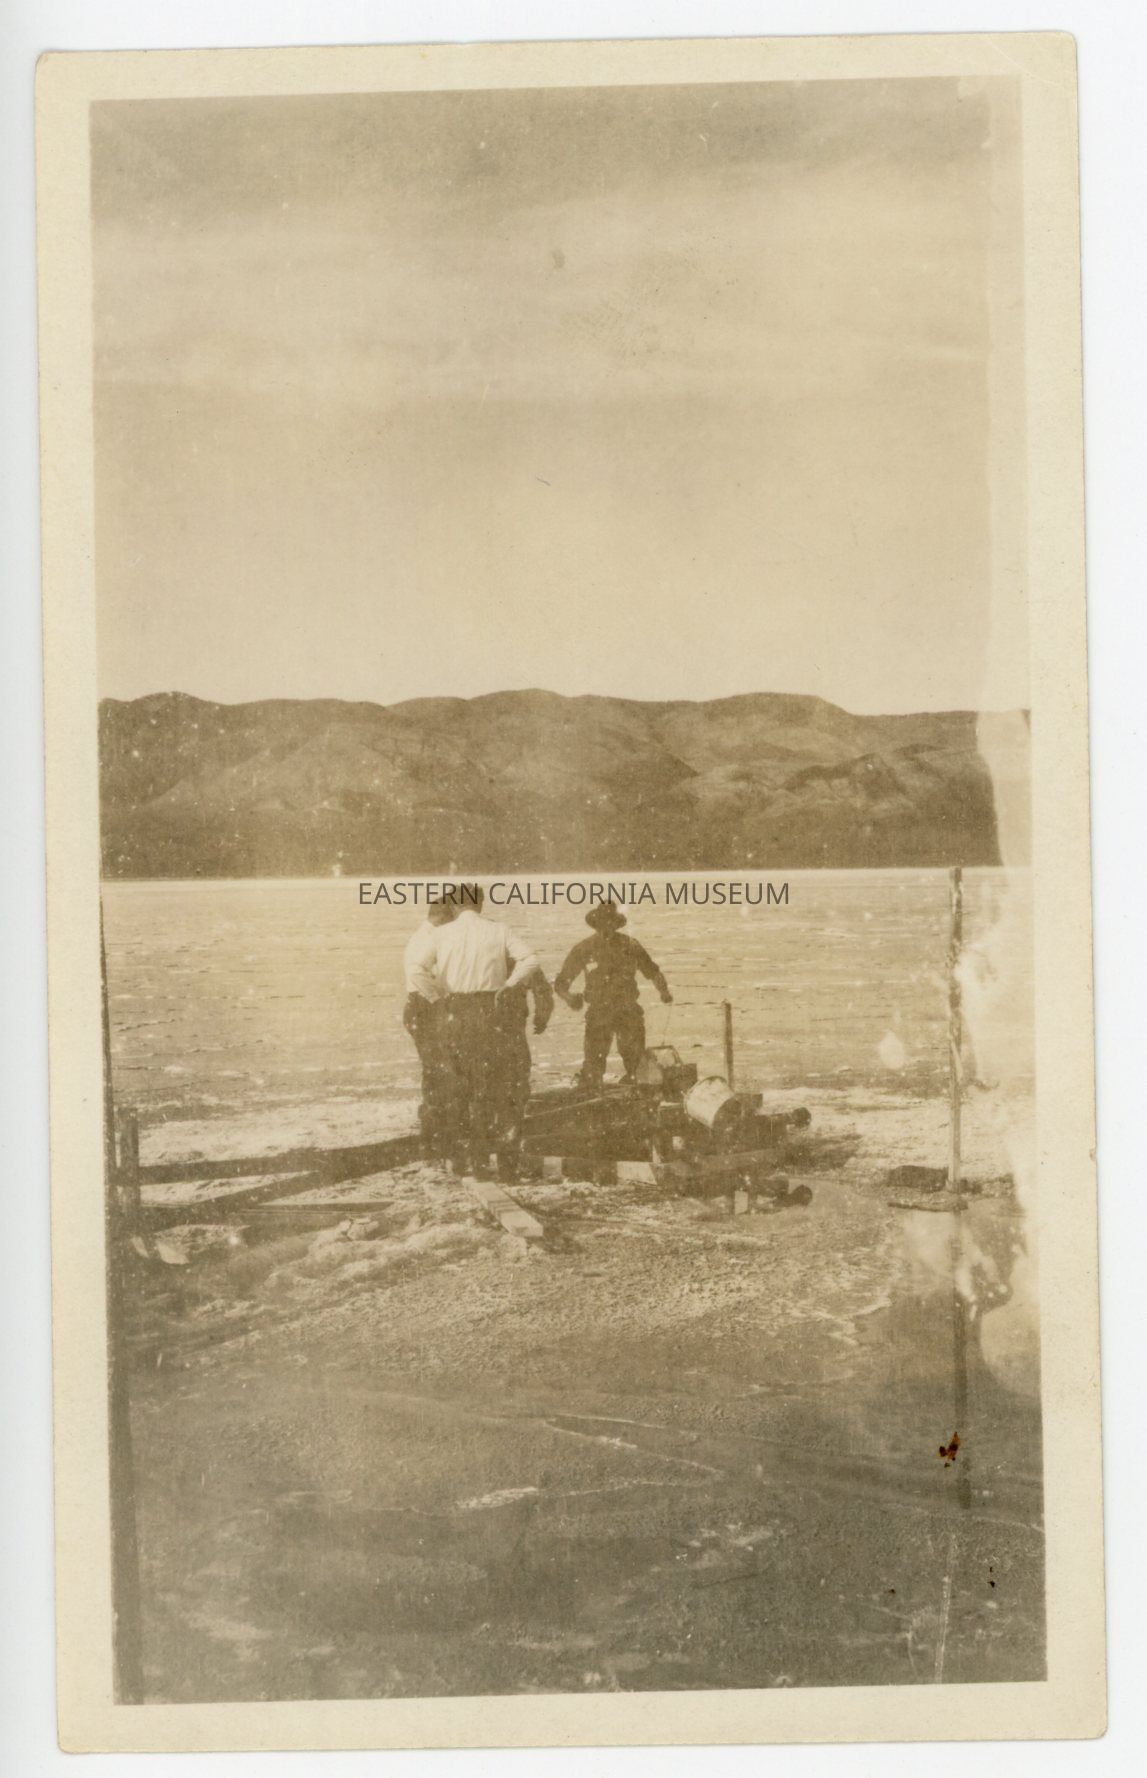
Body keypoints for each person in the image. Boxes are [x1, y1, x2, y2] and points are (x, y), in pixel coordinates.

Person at [406, 885, 539, 1177]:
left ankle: (469, 1161)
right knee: (496, 1084)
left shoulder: (441, 934)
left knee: (459, 1086)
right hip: (491, 1012)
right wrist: (509, 986)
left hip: (455, 1013)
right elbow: (530, 960)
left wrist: (437, 998)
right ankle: (504, 1162)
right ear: (480, 905)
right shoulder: (499, 930)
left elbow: (416, 970)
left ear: (455, 906)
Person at [555, 901, 672, 1087]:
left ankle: (636, 1091)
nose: (606, 927)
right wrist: (570, 999)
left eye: (610, 923)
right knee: (593, 1067)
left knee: (636, 1065)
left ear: (616, 924)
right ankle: (592, 1090)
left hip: (628, 1010)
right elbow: (561, 983)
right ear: (596, 924)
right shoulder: (584, 948)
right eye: (602, 923)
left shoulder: (631, 945)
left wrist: (664, 992)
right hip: (599, 1012)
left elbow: (653, 971)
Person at [402, 899, 459, 1159]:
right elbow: (417, 973)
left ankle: (434, 1135)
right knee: (438, 1071)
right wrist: (439, 1001)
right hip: (425, 1007)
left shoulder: (423, 935)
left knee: (436, 1070)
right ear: (442, 917)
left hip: (421, 1006)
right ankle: (434, 1137)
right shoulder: (429, 938)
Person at [494, 966, 555, 1175]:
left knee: (480, 1094)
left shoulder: (470, 954)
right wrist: (542, 1016)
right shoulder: (520, 959)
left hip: (476, 1034)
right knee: (515, 1094)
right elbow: (542, 990)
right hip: (513, 1037)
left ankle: (474, 1159)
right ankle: (509, 1161)